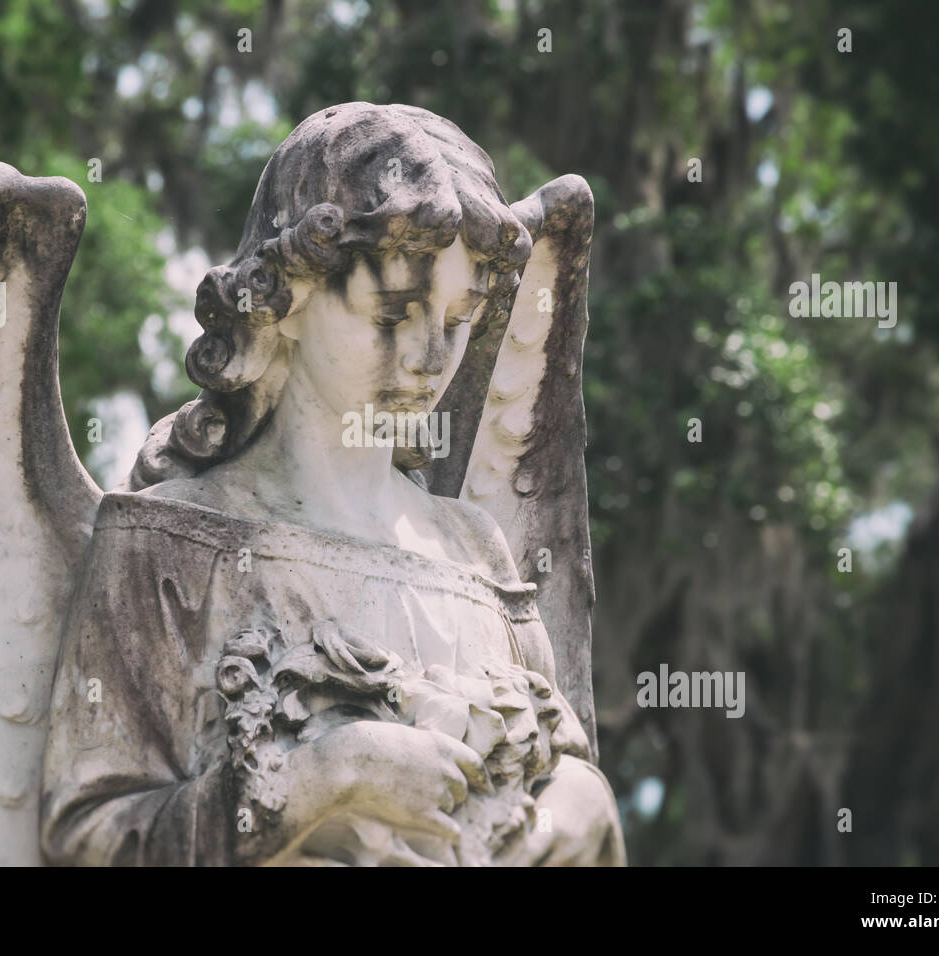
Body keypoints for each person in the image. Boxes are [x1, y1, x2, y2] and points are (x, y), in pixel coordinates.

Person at [40, 103, 624, 866]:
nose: (430, 356)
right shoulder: (166, 549)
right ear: (286, 298)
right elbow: (86, 839)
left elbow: (567, 762)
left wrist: (579, 808)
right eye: (394, 313)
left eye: (460, 316)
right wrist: (322, 780)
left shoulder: (476, 551)